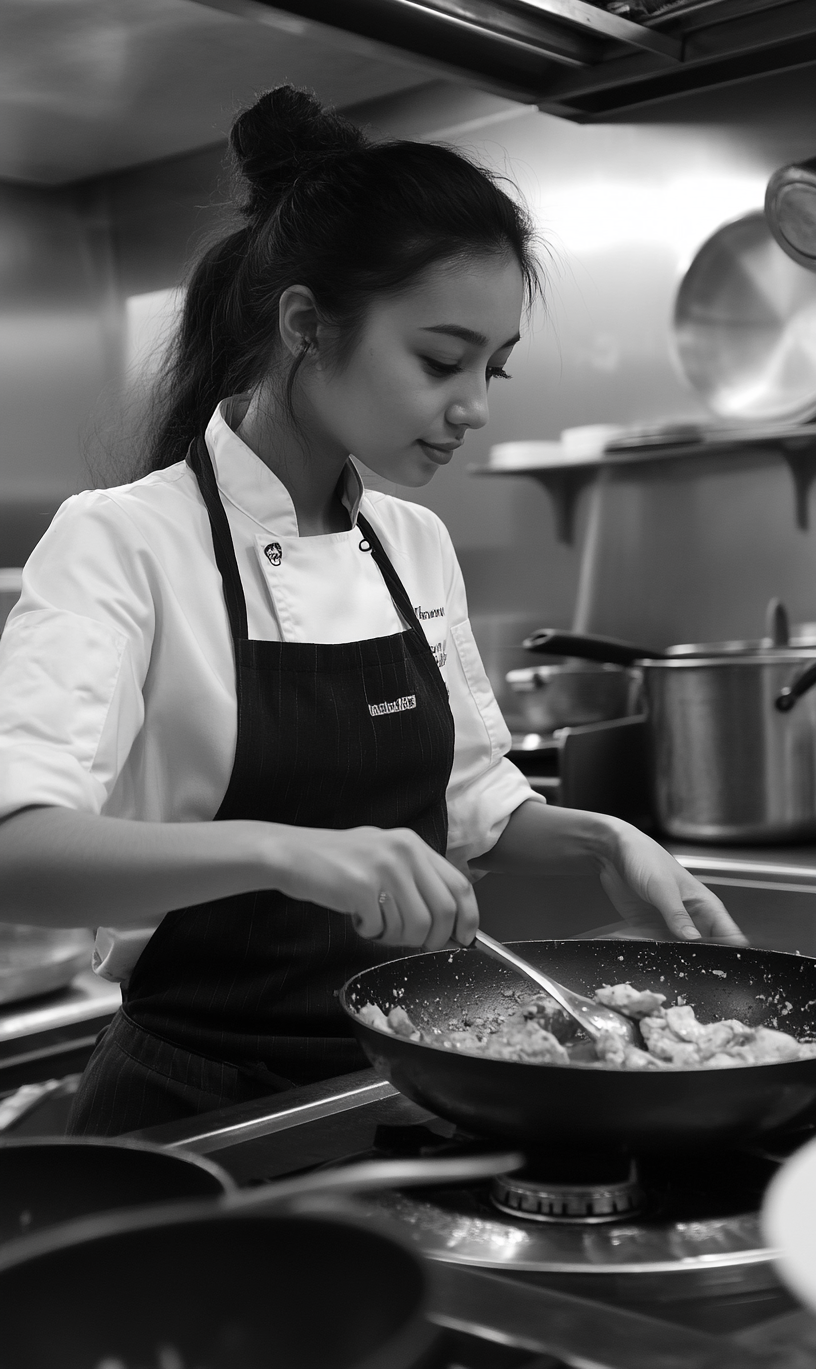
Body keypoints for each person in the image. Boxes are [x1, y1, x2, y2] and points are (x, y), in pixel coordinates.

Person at [0, 88, 746, 1135]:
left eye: (491, 366)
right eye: (441, 360)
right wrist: (291, 848)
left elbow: (477, 805)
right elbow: (18, 851)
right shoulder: (123, 539)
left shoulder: (412, 543)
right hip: (194, 1118)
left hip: (400, 1087)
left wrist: (598, 839)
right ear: (305, 324)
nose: (475, 405)